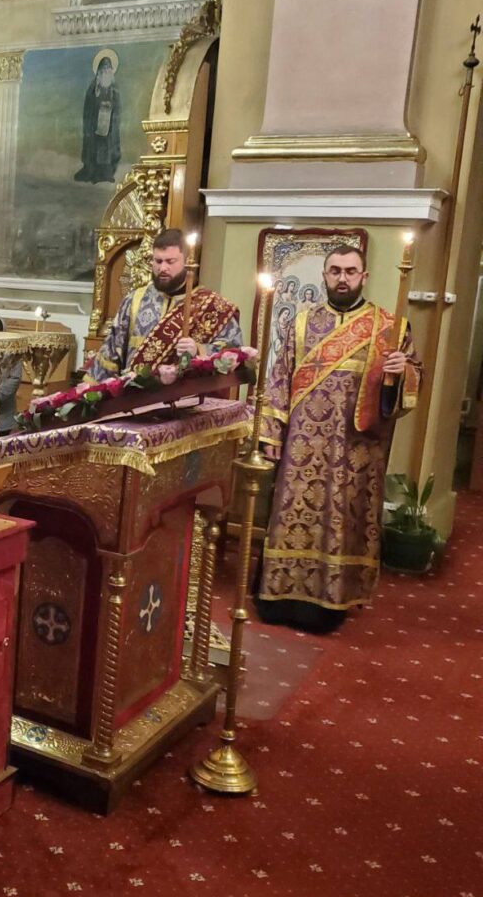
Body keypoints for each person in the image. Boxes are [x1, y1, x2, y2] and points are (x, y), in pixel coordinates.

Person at [255, 244, 422, 632]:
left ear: (364, 276)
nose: (342, 278)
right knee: (291, 517)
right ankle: (281, 598)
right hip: (301, 445)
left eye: (350, 271)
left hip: (356, 448)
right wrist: (271, 434)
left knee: (342, 520)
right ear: (325, 275)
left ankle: (330, 603)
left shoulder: (389, 327)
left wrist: (402, 371)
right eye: (335, 271)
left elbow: (412, 382)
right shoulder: (300, 323)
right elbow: (279, 380)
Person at [85, 227, 243, 381]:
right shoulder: (134, 300)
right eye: (158, 261)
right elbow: (111, 352)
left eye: (170, 261)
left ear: (187, 261)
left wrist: (199, 349)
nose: (163, 268)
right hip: (135, 395)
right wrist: (93, 392)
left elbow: (233, 352)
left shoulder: (212, 306)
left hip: (186, 395)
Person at [74, 52, 121, 184]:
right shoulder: (93, 87)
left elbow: (117, 107)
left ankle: (105, 173)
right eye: (103, 70)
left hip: (109, 125)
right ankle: (91, 170)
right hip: (95, 124)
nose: (105, 72)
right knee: (93, 146)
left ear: (111, 71)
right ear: (99, 72)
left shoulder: (114, 89)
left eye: (108, 69)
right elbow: (89, 106)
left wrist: (110, 108)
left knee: (107, 147)